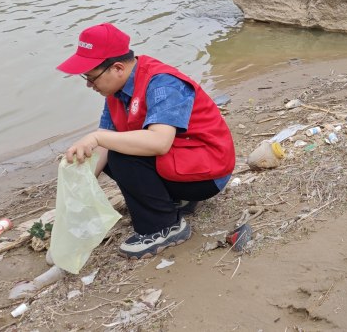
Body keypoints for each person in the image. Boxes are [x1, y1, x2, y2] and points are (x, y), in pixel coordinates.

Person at [56, 23, 236, 259]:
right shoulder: (115, 92)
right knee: (112, 148)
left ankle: (164, 227)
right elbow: (102, 145)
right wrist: (79, 185)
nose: (89, 85)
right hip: (182, 161)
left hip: (208, 173)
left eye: (91, 77)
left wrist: (99, 137)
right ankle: (172, 201)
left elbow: (159, 142)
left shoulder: (162, 83)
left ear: (118, 68)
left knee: (121, 152)